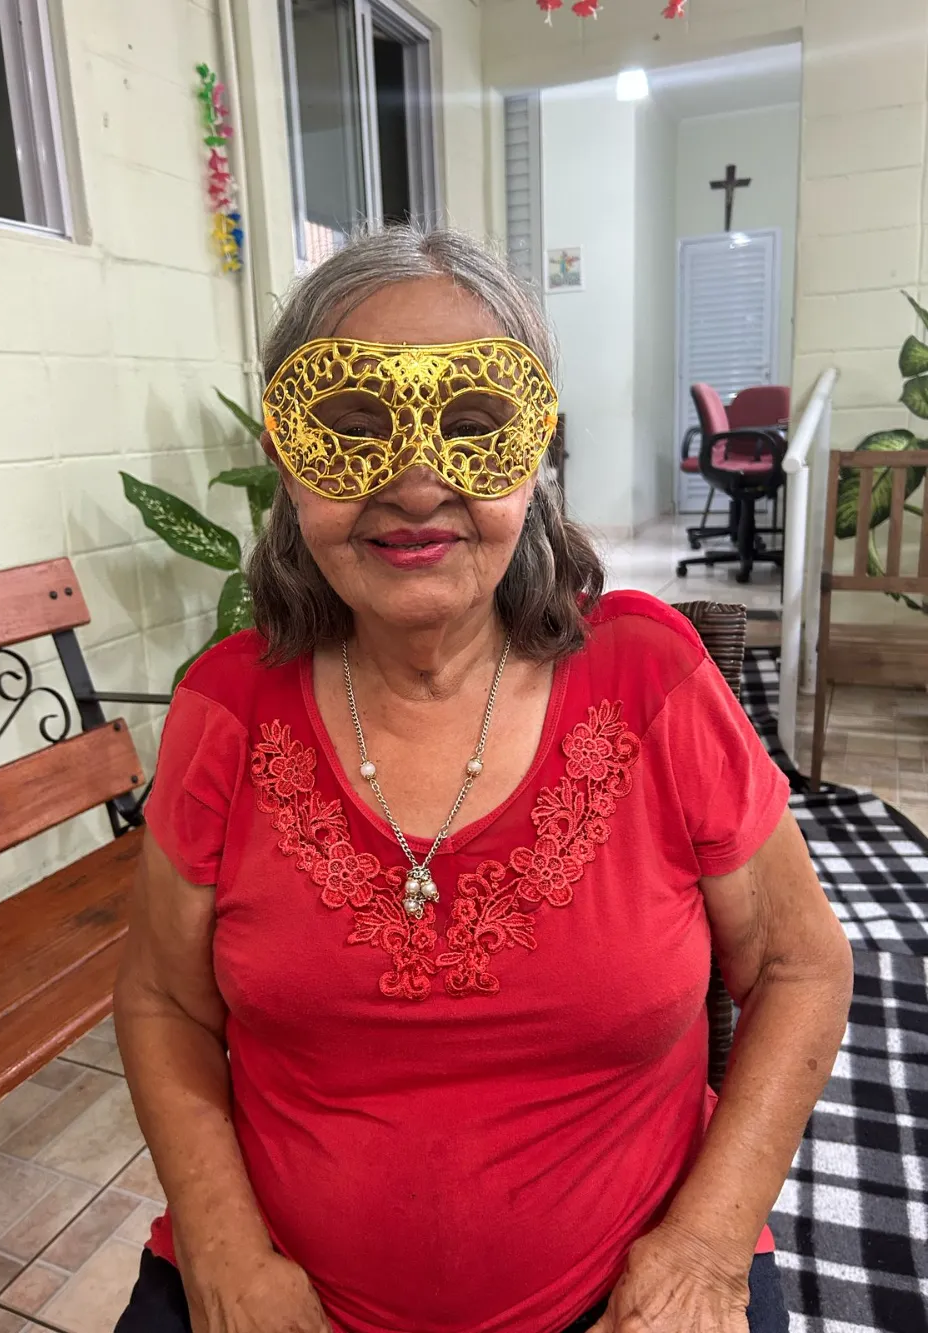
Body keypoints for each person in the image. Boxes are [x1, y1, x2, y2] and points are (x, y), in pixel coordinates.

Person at [113, 226, 853, 1333]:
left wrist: (704, 1250)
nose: (416, 484)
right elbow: (163, 999)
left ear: (535, 449)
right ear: (286, 455)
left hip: (633, 1295)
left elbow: (801, 963)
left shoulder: (649, 679)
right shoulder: (226, 707)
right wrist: (221, 1250)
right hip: (273, 1292)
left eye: (470, 426)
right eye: (351, 427)